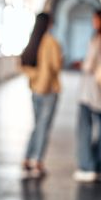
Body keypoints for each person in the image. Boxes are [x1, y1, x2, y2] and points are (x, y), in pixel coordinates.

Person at [74, 10, 101, 183]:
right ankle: (100, 164)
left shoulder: (96, 40)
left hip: (90, 91)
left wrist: (81, 63)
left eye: (95, 19)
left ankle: (86, 166)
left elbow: (89, 65)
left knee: (84, 128)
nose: (93, 21)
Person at [20, 13, 63, 178]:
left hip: (35, 89)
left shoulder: (32, 41)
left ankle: (26, 158)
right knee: (43, 127)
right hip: (49, 91)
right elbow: (56, 66)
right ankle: (37, 161)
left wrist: (35, 76)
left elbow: (23, 63)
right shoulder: (51, 42)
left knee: (37, 125)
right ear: (48, 24)